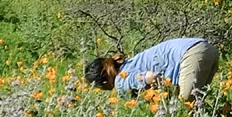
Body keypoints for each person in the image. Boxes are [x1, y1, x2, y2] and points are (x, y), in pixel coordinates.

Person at [84, 37, 220, 100]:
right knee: (197, 103)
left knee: (185, 105)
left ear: (103, 83)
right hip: (204, 48)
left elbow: (149, 77)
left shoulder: (120, 81)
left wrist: (164, 88)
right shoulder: (129, 64)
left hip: (190, 54)